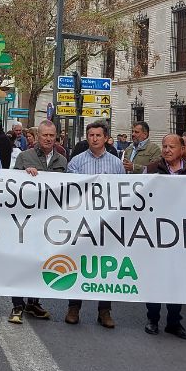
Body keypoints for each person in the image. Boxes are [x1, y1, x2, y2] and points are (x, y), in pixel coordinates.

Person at [64, 120, 125, 329]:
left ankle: (104, 310)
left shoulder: (116, 164)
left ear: (106, 138)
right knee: (79, 262)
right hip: (82, 221)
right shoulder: (77, 161)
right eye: (91, 135)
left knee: (104, 265)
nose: (94, 139)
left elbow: (122, 192)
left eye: (98, 135)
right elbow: (69, 190)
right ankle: (74, 307)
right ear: (87, 137)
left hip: (106, 222)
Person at [9, 119, 67, 324]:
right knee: (21, 261)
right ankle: (17, 304)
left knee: (42, 261)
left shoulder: (62, 160)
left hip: (49, 222)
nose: (48, 139)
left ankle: (34, 302)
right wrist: (25, 175)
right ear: (38, 135)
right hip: (26, 221)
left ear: (56, 137)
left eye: (52, 136)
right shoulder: (25, 157)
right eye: (45, 135)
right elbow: (12, 185)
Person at [143, 133, 186, 339]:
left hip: (180, 236)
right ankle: (153, 319)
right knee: (155, 278)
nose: (167, 150)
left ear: (182, 149)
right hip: (155, 233)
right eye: (164, 146)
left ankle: (174, 321)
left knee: (176, 279)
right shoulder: (152, 169)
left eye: (171, 146)